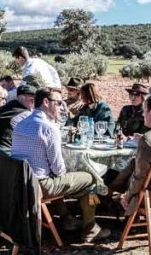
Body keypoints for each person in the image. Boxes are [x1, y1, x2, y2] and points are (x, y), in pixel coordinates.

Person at [12, 87, 109, 242]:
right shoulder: (49, 128)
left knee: (61, 174)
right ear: (45, 102)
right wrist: (71, 172)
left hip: (19, 183)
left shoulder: (20, 123)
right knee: (91, 177)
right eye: (58, 103)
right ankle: (90, 227)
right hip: (41, 186)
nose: (61, 107)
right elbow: (59, 170)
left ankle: (66, 218)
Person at [0, 85, 36, 150]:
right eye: (33, 100)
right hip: (1, 155)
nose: (35, 104)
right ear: (22, 98)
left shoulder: (2, 109)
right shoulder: (25, 114)